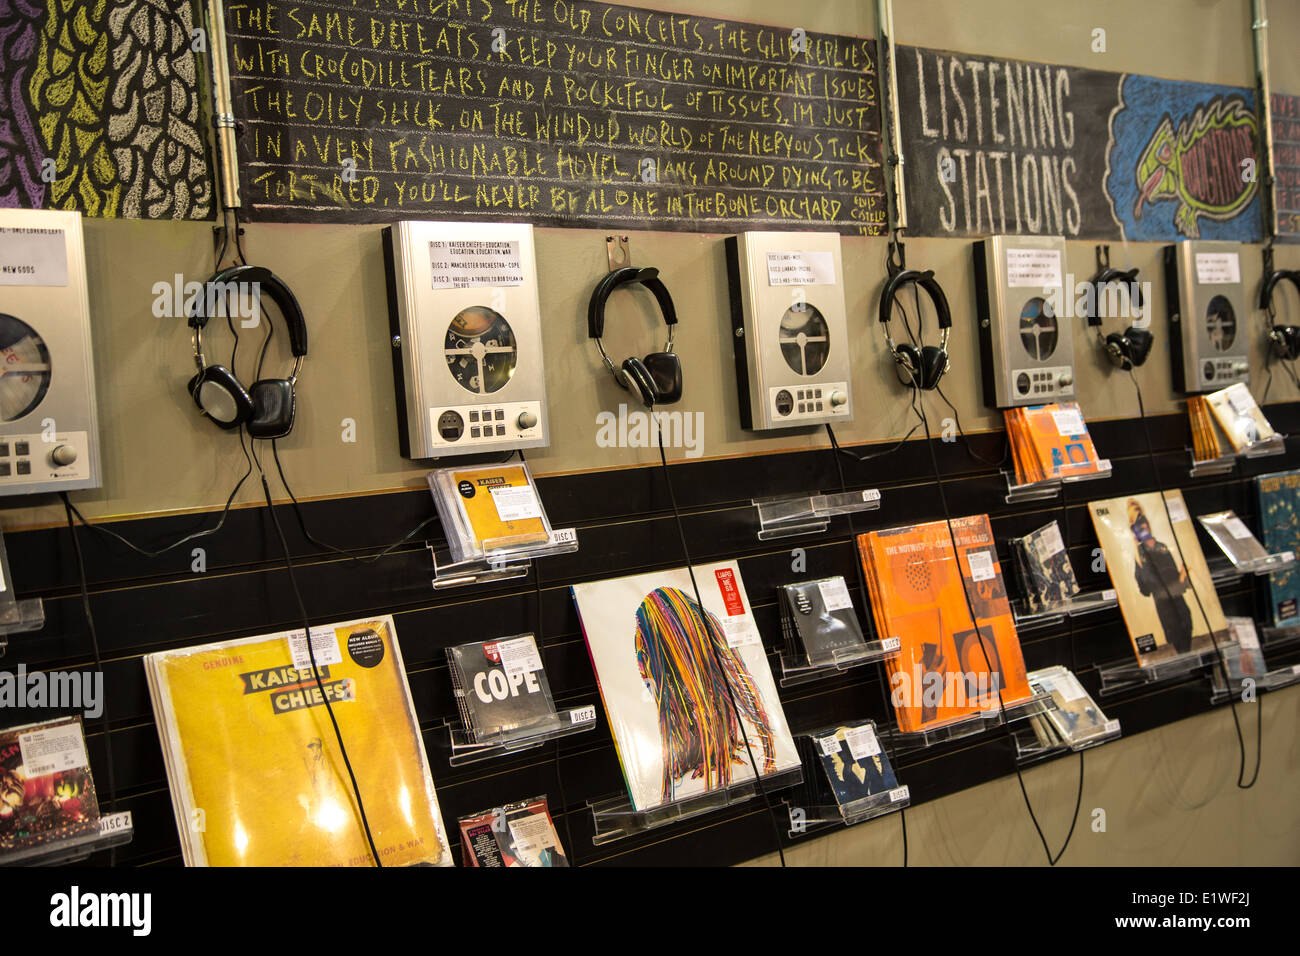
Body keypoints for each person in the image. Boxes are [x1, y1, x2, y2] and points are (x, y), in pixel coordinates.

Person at [1128, 500, 1194, 654]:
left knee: (1186, 620)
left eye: (1144, 523)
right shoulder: (1140, 553)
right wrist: (1135, 545)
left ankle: (1187, 654)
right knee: (1174, 627)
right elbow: (1145, 583)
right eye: (1138, 525)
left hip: (1175, 593)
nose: (1143, 527)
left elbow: (1175, 576)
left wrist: (1183, 576)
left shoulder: (1162, 546)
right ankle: (1183, 654)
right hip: (1162, 598)